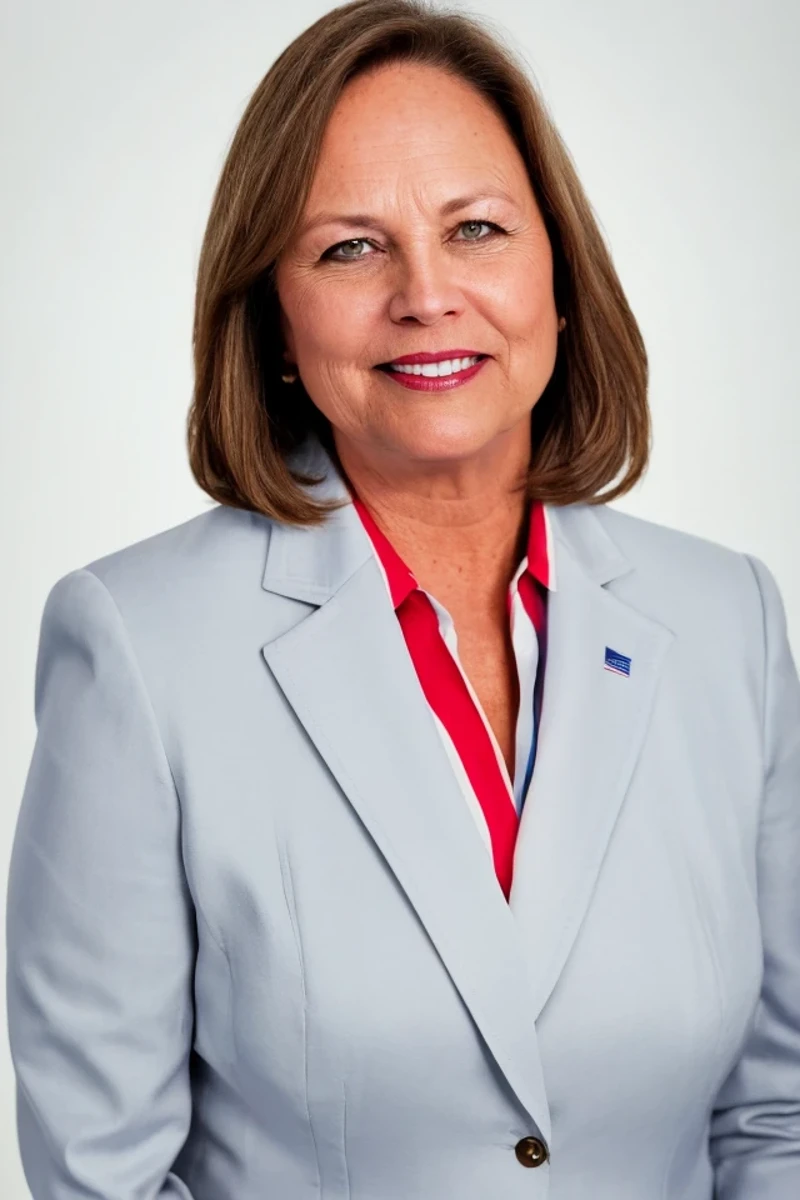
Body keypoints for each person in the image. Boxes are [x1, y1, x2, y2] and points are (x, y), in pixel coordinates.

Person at [6, 0, 800, 1196]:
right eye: (348, 247)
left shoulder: (724, 621)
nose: (425, 295)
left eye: (475, 229)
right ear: (276, 319)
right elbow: (98, 1172)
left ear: (557, 277)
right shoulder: (137, 649)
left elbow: (775, 1117)